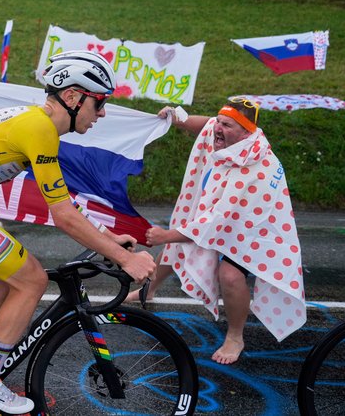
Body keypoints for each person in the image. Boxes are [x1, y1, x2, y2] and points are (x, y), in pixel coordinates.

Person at [0, 50, 156, 413]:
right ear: (72, 97)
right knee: (32, 280)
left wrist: (107, 238)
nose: (102, 113)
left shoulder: (39, 124)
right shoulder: (39, 128)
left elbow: (62, 199)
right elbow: (63, 216)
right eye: (99, 102)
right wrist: (125, 258)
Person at [126, 99, 305, 365]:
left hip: (255, 230)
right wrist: (176, 117)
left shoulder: (257, 169)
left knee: (229, 275)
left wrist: (166, 235)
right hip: (221, 216)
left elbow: (215, 224)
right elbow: (205, 125)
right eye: (219, 122)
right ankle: (148, 290)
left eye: (226, 125)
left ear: (245, 132)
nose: (217, 129)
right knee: (181, 239)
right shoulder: (228, 134)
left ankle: (235, 336)